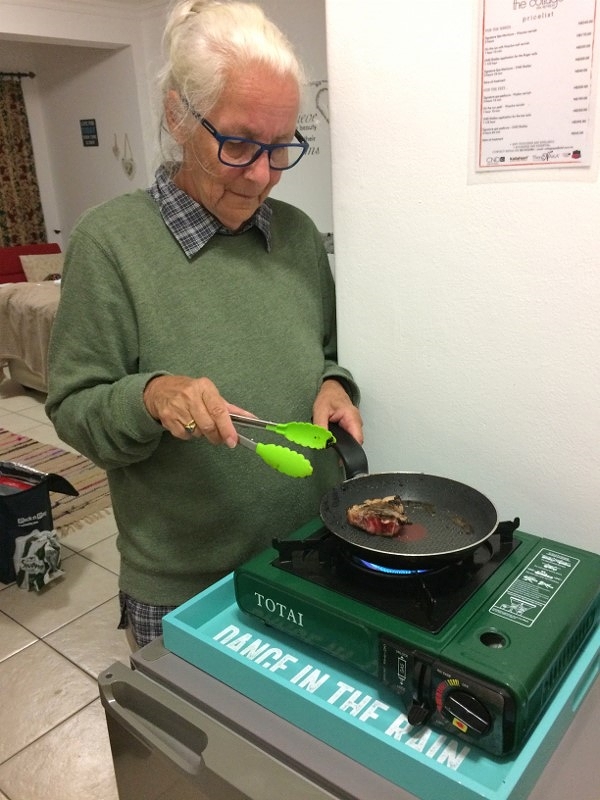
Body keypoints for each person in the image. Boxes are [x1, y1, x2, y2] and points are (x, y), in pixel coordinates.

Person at [45, 0, 363, 648]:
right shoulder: (110, 243)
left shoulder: (298, 236)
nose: (263, 175)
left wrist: (336, 385)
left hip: (312, 553)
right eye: (238, 143)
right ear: (177, 116)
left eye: (281, 147)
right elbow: (74, 407)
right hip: (188, 587)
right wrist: (151, 396)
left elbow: (328, 350)